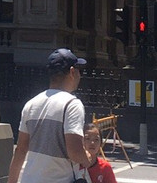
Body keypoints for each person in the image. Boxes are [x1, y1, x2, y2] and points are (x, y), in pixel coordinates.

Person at [8, 48, 94, 183]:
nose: (79, 75)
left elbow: (20, 150)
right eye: (79, 71)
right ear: (72, 72)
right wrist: (88, 159)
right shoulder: (72, 104)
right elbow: (75, 151)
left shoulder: (31, 104)